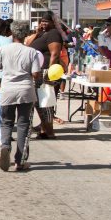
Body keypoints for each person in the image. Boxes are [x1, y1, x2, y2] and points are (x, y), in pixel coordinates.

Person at [0, 20, 41, 172]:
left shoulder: (4, 49)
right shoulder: (31, 52)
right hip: (26, 90)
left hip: (7, 89)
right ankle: (19, 160)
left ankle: (5, 145)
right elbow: (35, 74)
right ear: (26, 34)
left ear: (12, 33)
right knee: (23, 124)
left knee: (6, 122)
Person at [25, 11, 63, 139]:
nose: (43, 23)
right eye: (42, 21)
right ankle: (44, 129)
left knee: (46, 103)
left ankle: (49, 132)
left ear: (53, 22)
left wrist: (49, 73)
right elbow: (27, 44)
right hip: (38, 72)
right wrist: (36, 33)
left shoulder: (54, 34)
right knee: (39, 102)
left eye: (46, 21)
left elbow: (55, 54)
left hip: (47, 71)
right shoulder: (41, 33)